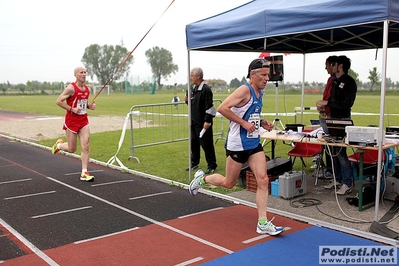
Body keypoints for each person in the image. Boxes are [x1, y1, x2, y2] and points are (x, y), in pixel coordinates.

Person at [189, 59, 284, 236]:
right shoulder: (244, 90)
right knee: (229, 183)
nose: (267, 79)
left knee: (263, 180)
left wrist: (262, 122)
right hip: (237, 144)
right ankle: (202, 180)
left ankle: (262, 222)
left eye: (268, 75)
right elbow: (223, 108)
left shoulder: (259, 92)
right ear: (252, 74)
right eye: (263, 75)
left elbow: (250, 113)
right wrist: (243, 123)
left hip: (253, 143)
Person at [317, 55, 357, 195]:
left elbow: (347, 104)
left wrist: (327, 103)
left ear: (340, 66)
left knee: (341, 152)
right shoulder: (334, 82)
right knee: (333, 151)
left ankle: (347, 182)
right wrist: (324, 108)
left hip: (343, 120)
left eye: (333, 64)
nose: (330, 67)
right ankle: (337, 179)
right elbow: (332, 101)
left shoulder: (349, 82)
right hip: (332, 118)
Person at [51, 66, 96, 182]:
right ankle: (59, 145)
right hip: (71, 121)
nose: (84, 74)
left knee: (85, 145)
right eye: (81, 72)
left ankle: (84, 172)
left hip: (83, 120)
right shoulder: (71, 88)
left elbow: (83, 104)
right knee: (72, 149)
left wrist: (89, 106)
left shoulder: (87, 89)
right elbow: (58, 101)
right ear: (76, 75)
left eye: (85, 72)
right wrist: (72, 109)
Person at [184, 67, 217, 174]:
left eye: (192, 75)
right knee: (194, 143)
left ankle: (212, 165)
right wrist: (187, 101)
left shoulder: (206, 90)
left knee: (206, 144)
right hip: (194, 122)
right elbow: (193, 105)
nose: (191, 77)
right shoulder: (193, 89)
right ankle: (194, 162)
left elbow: (209, 106)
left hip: (203, 122)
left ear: (198, 76)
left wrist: (207, 121)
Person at [316, 55, 338, 178]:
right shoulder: (330, 80)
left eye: (327, 65)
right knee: (327, 143)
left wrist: (326, 105)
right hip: (325, 113)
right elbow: (327, 96)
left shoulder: (338, 81)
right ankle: (330, 170)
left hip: (333, 115)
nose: (326, 68)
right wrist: (321, 106)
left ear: (333, 65)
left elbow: (333, 99)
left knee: (335, 146)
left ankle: (335, 173)